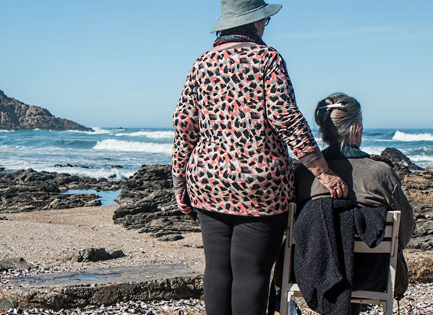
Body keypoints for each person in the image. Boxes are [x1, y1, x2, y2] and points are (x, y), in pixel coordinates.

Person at [171, 1, 349, 314]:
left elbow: (185, 124)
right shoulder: (267, 58)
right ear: (256, 23)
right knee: (251, 271)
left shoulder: (201, 63)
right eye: (265, 20)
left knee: (216, 269)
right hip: (261, 183)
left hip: (207, 179)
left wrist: (179, 181)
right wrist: (322, 171)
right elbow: (285, 116)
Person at [294, 93, 416, 314]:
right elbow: (405, 229)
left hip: (310, 274)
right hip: (372, 276)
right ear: (357, 128)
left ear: (323, 131)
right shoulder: (381, 172)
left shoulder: (303, 174)